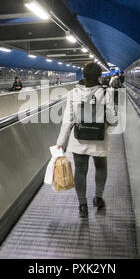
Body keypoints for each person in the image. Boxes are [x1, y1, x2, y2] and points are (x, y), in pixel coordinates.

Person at [56, 62, 117, 218]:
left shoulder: (73, 93)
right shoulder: (106, 93)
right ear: (99, 76)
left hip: (79, 141)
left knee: (81, 171)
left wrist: (60, 144)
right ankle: (98, 198)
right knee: (101, 167)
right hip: (99, 140)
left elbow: (67, 121)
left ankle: (82, 206)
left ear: (83, 76)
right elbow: (112, 120)